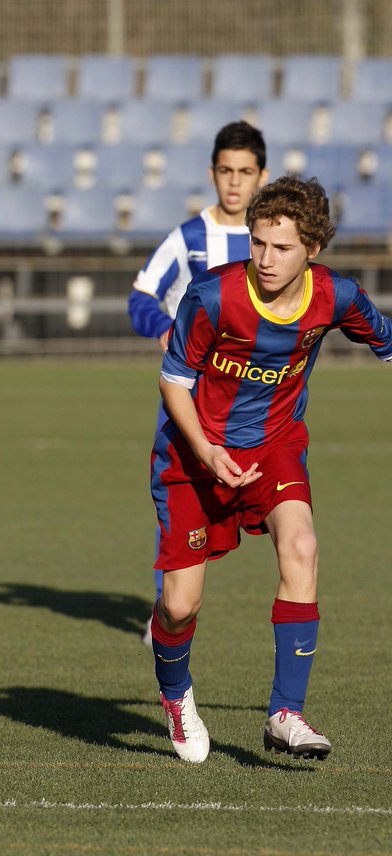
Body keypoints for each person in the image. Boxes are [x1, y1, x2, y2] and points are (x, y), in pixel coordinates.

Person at [149, 175, 392, 764]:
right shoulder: (212, 296)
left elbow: (386, 340)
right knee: (179, 606)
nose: (264, 258)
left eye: (281, 247)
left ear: (313, 248)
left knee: (302, 546)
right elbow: (173, 381)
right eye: (257, 243)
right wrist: (207, 451)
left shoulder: (335, 296)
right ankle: (177, 695)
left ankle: (286, 712)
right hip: (194, 456)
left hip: (277, 448)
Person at [130, 120, 269, 645]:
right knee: (178, 493)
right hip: (188, 394)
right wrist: (166, 330)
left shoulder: (272, 241)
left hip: (254, 399)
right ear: (213, 174)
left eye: (246, 172)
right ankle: (167, 605)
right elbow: (141, 295)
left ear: (262, 175)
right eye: (226, 172)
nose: (235, 183)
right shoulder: (189, 237)